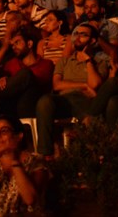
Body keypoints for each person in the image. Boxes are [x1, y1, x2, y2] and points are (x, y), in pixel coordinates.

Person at [35, 22, 110, 157]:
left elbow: (95, 85)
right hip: (63, 100)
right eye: (76, 34)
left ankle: (91, 156)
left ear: (92, 41)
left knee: (83, 106)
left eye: (83, 35)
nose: (77, 38)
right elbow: (57, 85)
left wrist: (87, 61)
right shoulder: (64, 61)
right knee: (45, 100)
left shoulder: (100, 63)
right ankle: (45, 154)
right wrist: (83, 85)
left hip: (84, 101)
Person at [0, 115, 48, 216]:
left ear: (19, 136)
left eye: (4, 131)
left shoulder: (35, 161)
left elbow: (30, 200)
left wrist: (15, 162)